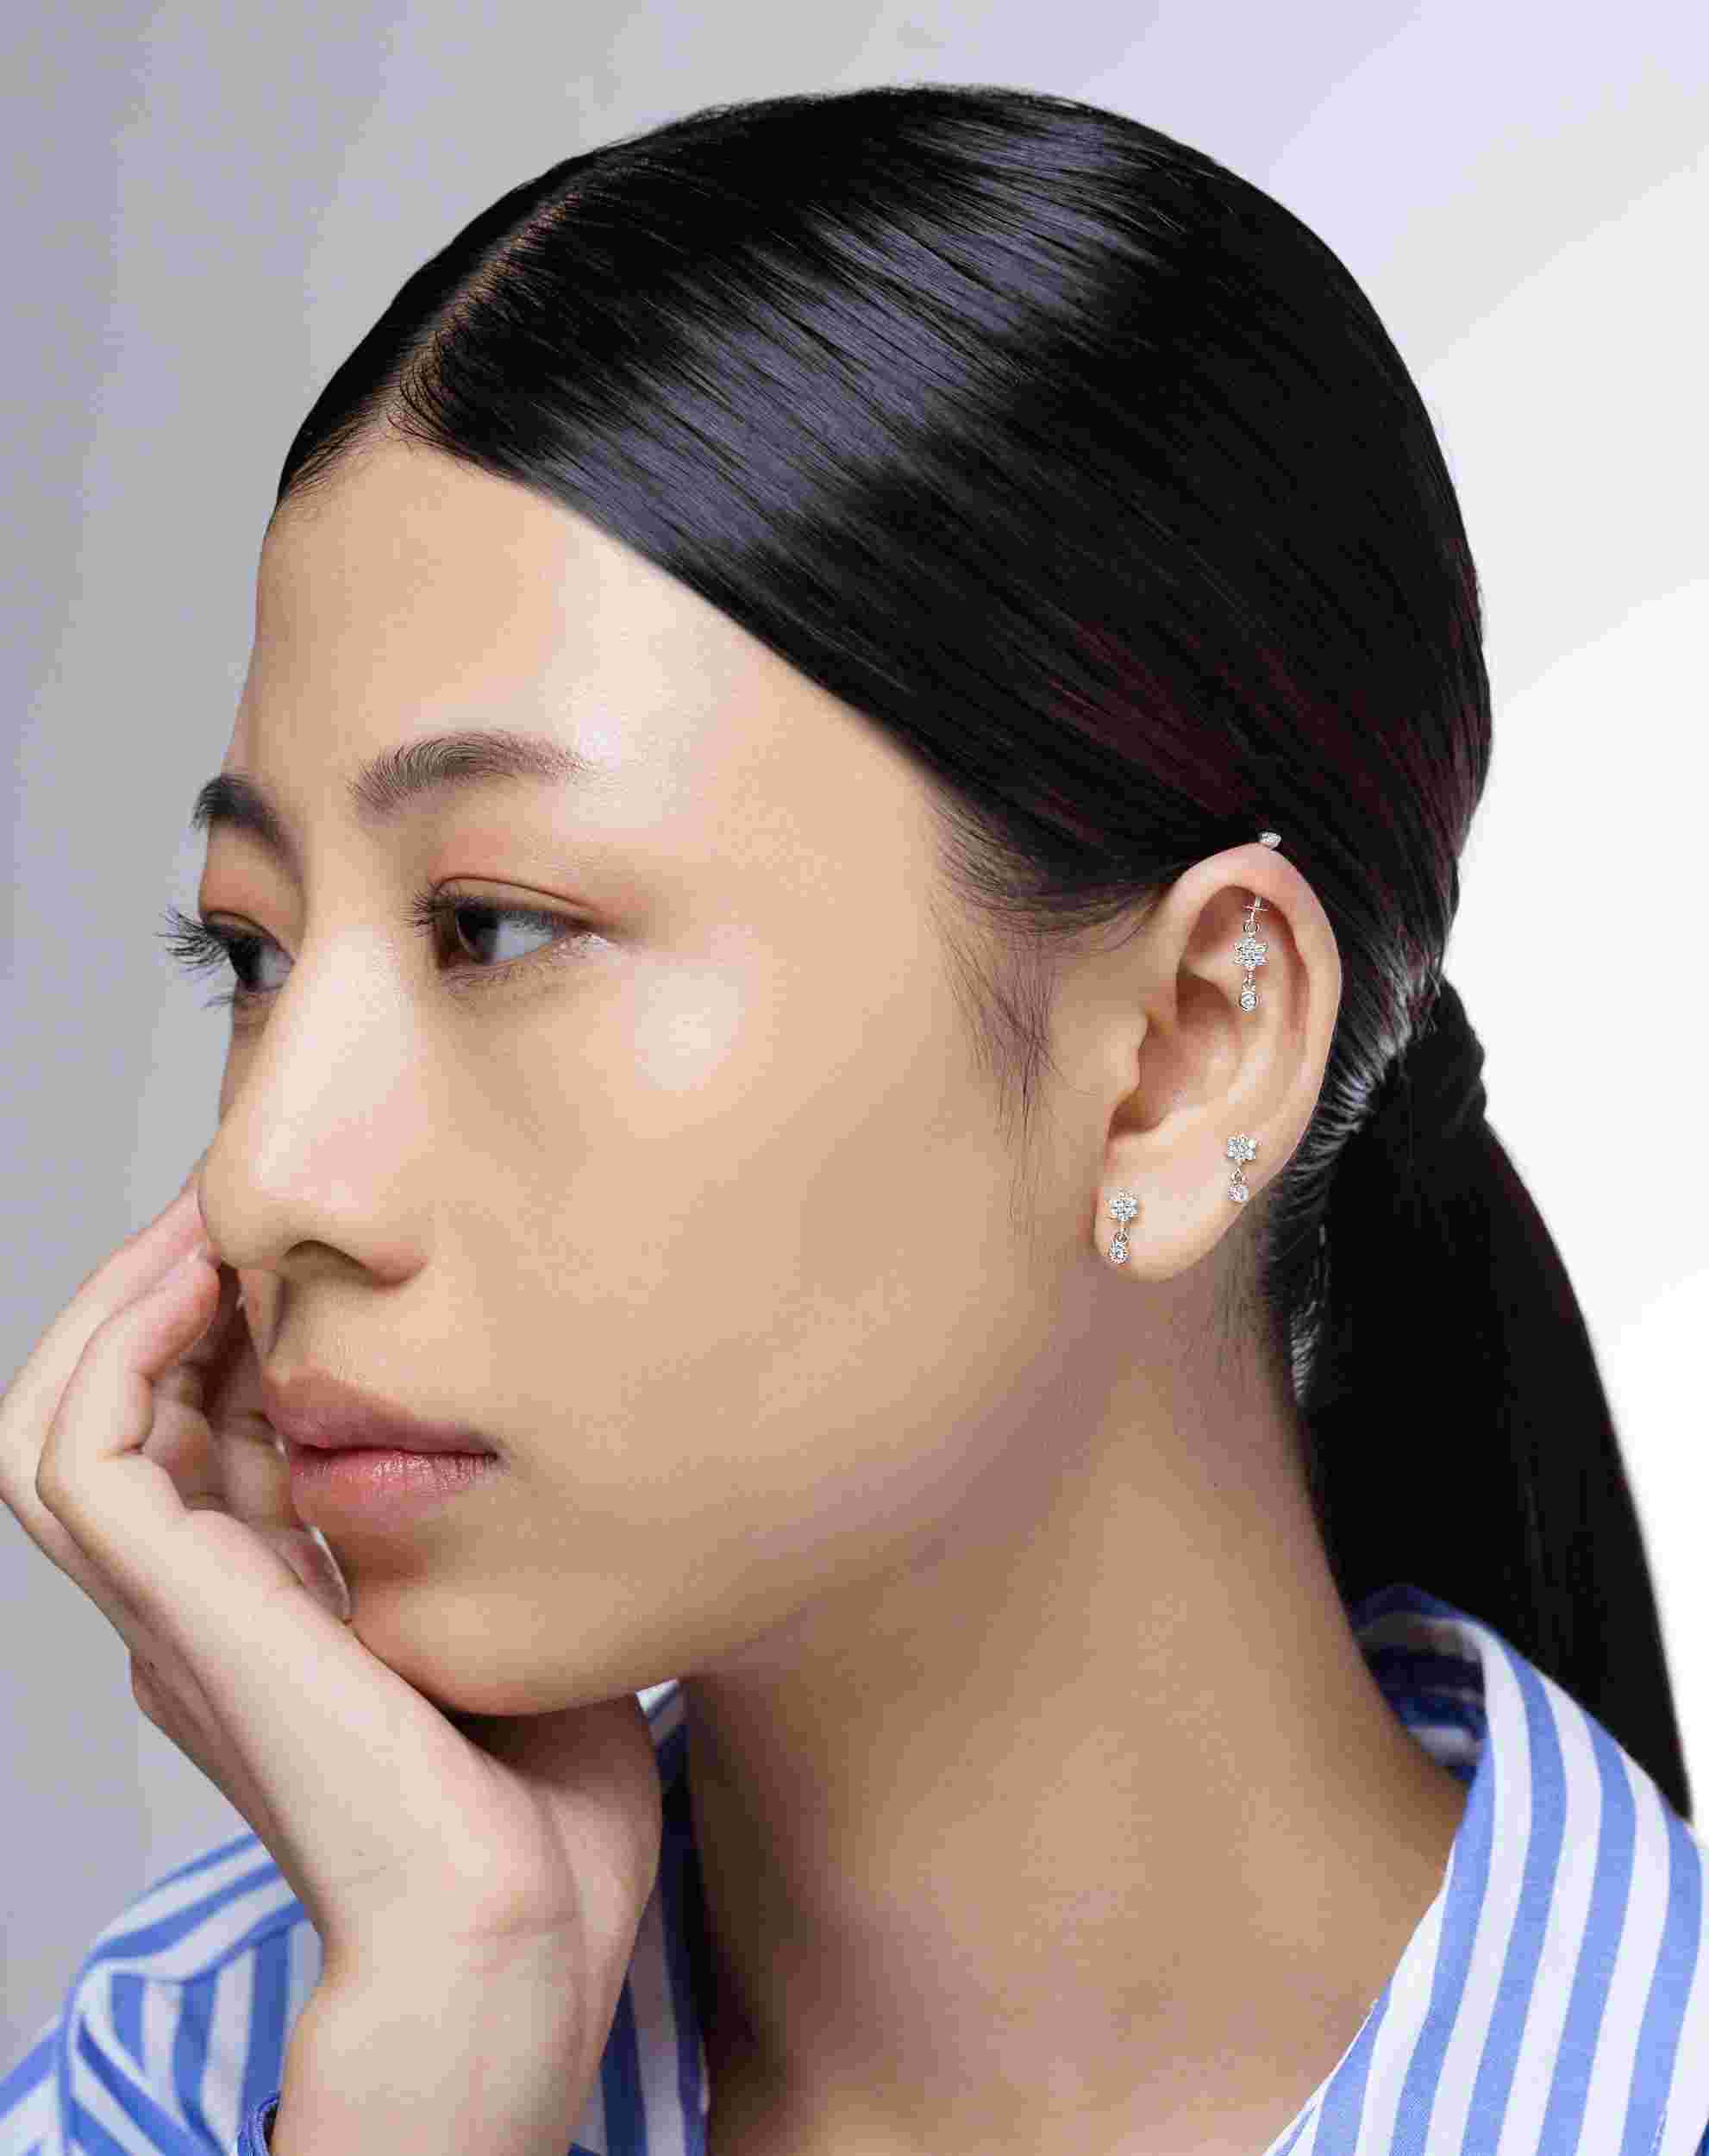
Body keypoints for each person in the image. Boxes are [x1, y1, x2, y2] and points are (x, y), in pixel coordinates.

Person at [3, 79, 1706, 2156]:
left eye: (495, 923)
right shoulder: (208, 2074)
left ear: (1183, 1051)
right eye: (249, 952)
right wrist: (444, 2052)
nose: (267, 1174)